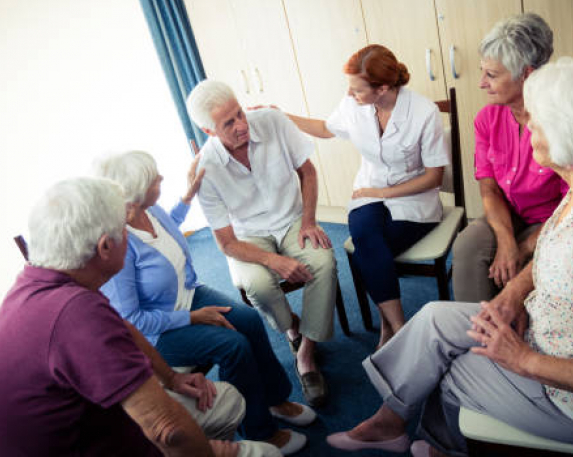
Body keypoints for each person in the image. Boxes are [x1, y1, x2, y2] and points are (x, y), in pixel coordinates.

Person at [326, 55, 573, 456]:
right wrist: (512, 294)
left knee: (448, 372)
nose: (526, 124)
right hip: (550, 328)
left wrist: (523, 360)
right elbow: (556, 243)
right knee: (431, 319)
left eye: (538, 119)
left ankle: (444, 446)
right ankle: (390, 424)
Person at [0, 177, 281, 456]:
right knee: (260, 446)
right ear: (106, 247)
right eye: (125, 228)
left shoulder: (40, 281)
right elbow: (167, 429)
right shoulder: (77, 314)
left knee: (223, 398)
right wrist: (213, 452)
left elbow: (123, 326)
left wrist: (172, 377)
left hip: (84, 431)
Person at [94, 150, 313, 455]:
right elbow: (133, 319)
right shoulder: (119, 244)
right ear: (134, 196)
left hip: (187, 295)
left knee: (248, 320)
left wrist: (187, 198)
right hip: (157, 332)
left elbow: (167, 229)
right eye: (154, 178)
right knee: (233, 346)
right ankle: (259, 431)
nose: (160, 179)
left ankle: (275, 399)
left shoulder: (149, 210)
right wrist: (193, 318)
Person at [278, 44, 449, 348]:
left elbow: (433, 176)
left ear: (382, 88)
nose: (349, 94)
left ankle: (388, 328)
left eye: (357, 89)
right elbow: (325, 128)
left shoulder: (424, 113)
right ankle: (400, 328)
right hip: (368, 192)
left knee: (366, 252)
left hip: (414, 199)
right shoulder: (354, 104)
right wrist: (281, 117)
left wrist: (383, 192)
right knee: (366, 238)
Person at [186, 79, 337, 408]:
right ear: (209, 131)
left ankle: (306, 355)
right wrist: (274, 262)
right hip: (247, 236)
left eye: (239, 113)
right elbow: (226, 243)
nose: (242, 125)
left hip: (293, 218)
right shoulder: (205, 170)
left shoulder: (272, 121)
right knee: (258, 285)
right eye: (229, 123)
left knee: (324, 262)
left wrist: (309, 220)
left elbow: (308, 173)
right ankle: (293, 327)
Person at [451, 12, 568, 302]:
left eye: (491, 75)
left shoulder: (562, 121)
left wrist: (525, 246)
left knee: (529, 263)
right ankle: (475, 335)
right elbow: (489, 187)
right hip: (509, 214)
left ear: (526, 74)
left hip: (556, 222)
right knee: (468, 244)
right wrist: (506, 242)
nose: (481, 83)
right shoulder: (486, 119)